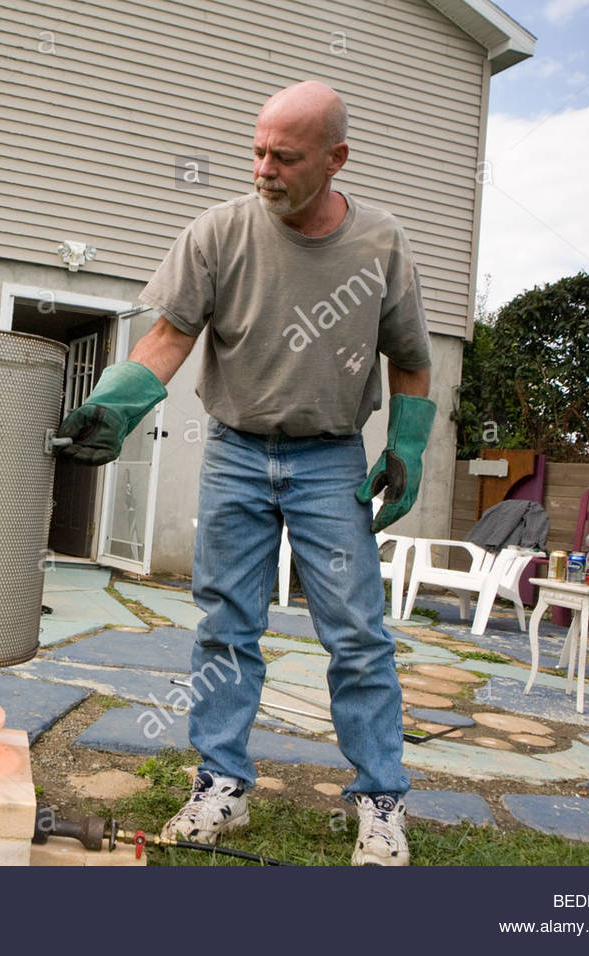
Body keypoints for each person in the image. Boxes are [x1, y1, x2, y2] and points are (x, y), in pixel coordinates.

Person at [58, 82, 435, 866]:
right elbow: (167, 336)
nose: (264, 168)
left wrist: (406, 444)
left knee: (358, 636)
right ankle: (221, 787)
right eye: (257, 150)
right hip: (233, 451)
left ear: (335, 160)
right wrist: (115, 407)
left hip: (332, 460)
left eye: (285, 156)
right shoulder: (218, 232)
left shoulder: (380, 244)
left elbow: (412, 359)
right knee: (228, 627)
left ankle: (381, 802)